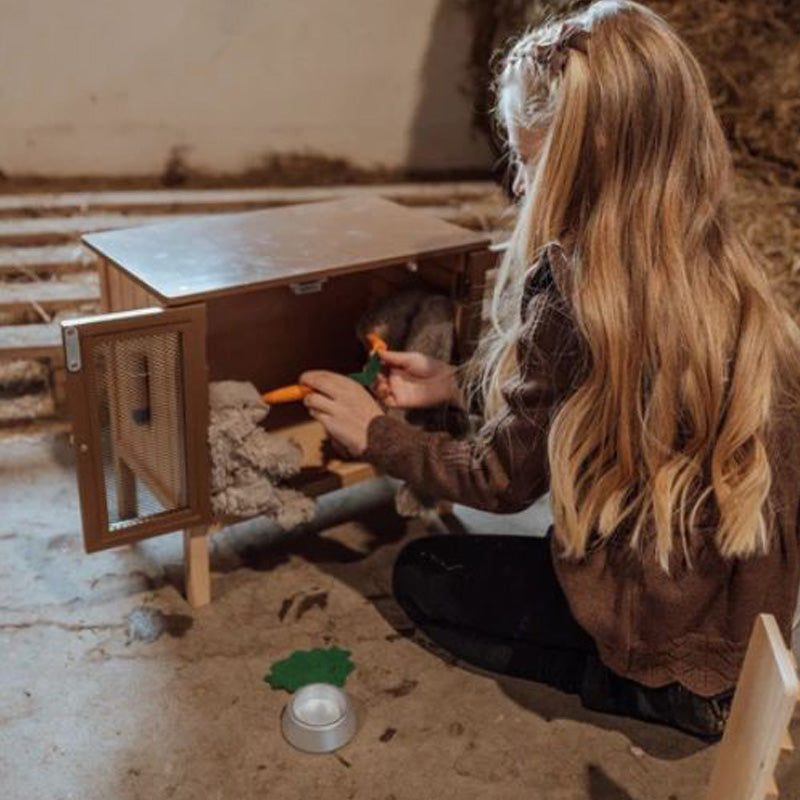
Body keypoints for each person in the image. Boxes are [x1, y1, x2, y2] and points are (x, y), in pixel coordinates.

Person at [299, 0, 800, 740]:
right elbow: (579, 394)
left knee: (425, 576)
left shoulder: (576, 289)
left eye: (531, 163)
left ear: (584, 156)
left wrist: (379, 436)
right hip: (749, 606)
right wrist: (457, 385)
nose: (524, 186)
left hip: (668, 627)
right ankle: (691, 674)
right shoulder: (723, 261)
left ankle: (640, 684)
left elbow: (500, 481)